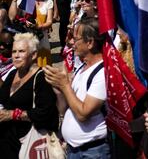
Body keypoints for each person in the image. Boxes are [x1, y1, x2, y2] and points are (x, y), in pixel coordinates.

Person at [44, 16, 109, 158]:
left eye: (76, 38)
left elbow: (83, 113)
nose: (71, 42)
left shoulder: (102, 73)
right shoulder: (82, 68)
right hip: (74, 150)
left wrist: (65, 85)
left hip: (92, 152)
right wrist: (59, 91)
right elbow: (64, 109)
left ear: (90, 42)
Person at [0, 33, 58, 155]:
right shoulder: (12, 74)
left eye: (21, 51)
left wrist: (13, 115)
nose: (16, 56)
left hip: (31, 143)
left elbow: (45, 113)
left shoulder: (42, 77)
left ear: (34, 55)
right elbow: (3, 99)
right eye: (14, 51)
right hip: (8, 141)